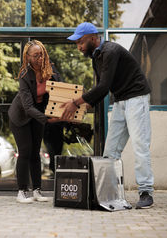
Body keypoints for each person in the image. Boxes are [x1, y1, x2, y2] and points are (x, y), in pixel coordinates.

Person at [61, 22, 154, 209]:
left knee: (140, 146)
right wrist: (86, 105)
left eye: (81, 42)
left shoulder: (110, 51)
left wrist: (76, 102)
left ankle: (146, 192)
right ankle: (107, 193)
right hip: (120, 100)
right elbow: (102, 88)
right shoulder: (96, 56)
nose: (79, 47)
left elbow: (103, 86)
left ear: (94, 38)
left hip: (136, 98)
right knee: (110, 151)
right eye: (77, 43)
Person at [8, 40, 60, 203]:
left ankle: (37, 190)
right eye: (36, 55)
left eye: (42, 54)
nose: (40, 58)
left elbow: (59, 89)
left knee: (36, 152)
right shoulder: (24, 75)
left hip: (37, 115)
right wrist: (46, 118)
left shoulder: (50, 70)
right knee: (25, 151)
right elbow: (28, 107)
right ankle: (22, 192)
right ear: (28, 58)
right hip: (21, 116)